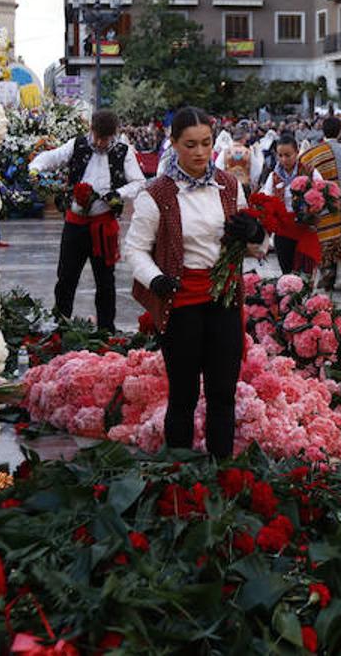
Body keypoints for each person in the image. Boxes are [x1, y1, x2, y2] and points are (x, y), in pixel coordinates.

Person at [125, 108, 265, 458]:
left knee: (222, 394)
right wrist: (155, 278)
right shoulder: (156, 193)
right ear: (173, 144)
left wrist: (255, 233)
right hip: (180, 301)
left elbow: (257, 247)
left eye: (205, 143)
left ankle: (220, 473)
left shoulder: (230, 185)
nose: (200, 152)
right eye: (190, 145)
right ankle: (180, 473)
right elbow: (135, 249)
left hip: (225, 301)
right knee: (183, 395)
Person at [30, 109, 146, 331]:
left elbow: (139, 182)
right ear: (91, 129)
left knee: (105, 282)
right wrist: (35, 168)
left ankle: (106, 330)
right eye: (99, 137)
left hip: (104, 227)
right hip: (75, 224)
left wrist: (119, 194)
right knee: (66, 278)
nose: (102, 143)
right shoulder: (78, 144)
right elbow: (52, 157)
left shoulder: (124, 151)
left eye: (107, 138)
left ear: (115, 133)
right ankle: (61, 326)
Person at [299, 116, 341, 289]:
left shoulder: (314, 153)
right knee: (337, 239)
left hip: (319, 202)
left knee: (323, 238)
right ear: (340, 131)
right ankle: (332, 275)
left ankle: (324, 271)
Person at [260, 134, 320, 274]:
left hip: (304, 229)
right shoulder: (273, 176)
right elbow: (266, 199)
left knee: (305, 273)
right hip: (283, 231)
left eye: (288, 155)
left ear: (297, 152)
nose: (283, 160)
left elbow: (321, 196)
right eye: (280, 155)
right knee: (286, 272)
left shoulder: (310, 172)